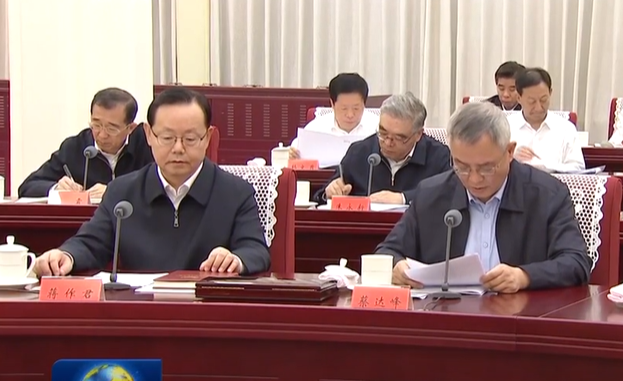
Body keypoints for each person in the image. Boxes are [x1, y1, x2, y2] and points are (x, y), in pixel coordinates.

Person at [32, 87, 271, 276]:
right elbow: (91, 243)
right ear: (148, 134)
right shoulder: (122, 192)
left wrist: (235, 259)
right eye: (167, 138)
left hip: (206, 311)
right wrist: (66, 255)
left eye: (190, 138)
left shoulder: (235, 192)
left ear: (207, 138)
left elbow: (256, 250)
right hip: (140, 311)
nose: (178, 148)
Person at [376, 102, 590, 293]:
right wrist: (397, 266)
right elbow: (387, 252)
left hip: (519, 316)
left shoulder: (547, 194)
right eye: (462, 167)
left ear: (509, 151)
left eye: (486, 168)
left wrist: (524, 277)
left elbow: (576, 262)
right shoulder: (432, 194)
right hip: (445, 315)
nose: (474, 179)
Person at [18, 88, 154, 199]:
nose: (102, 134)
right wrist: (56, 188)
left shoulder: (148, 146)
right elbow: (27, 187)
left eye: (111, 129)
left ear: (130, 128)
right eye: (96, 125)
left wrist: (115, 191)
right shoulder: (75, 147)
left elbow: (160, 187)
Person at [318, 92, 450, 204]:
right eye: (383, 132)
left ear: (418, 134)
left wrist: (403, 198)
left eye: (399, 137)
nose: (387, 142)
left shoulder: (438, 157)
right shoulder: (359, 152)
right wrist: (329, 192)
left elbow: (448, 195)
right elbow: (320, 195)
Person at [507, 67, 585, 173]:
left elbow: (578, 169)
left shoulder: (566, 128)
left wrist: (543, 165)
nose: (539, 108)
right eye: (531, 101)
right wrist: (510, 158)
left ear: (550, 93)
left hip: (554, 183)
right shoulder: (506, 127)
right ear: (518, 98)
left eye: (543, 100)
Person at [288, 72, 379, 159]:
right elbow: (296, 148)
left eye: (356, 108)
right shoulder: (317, 127)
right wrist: (294, 154)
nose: (350, 115)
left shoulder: (377, 126)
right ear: (332, 104)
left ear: (364, 104)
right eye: (344, 108)